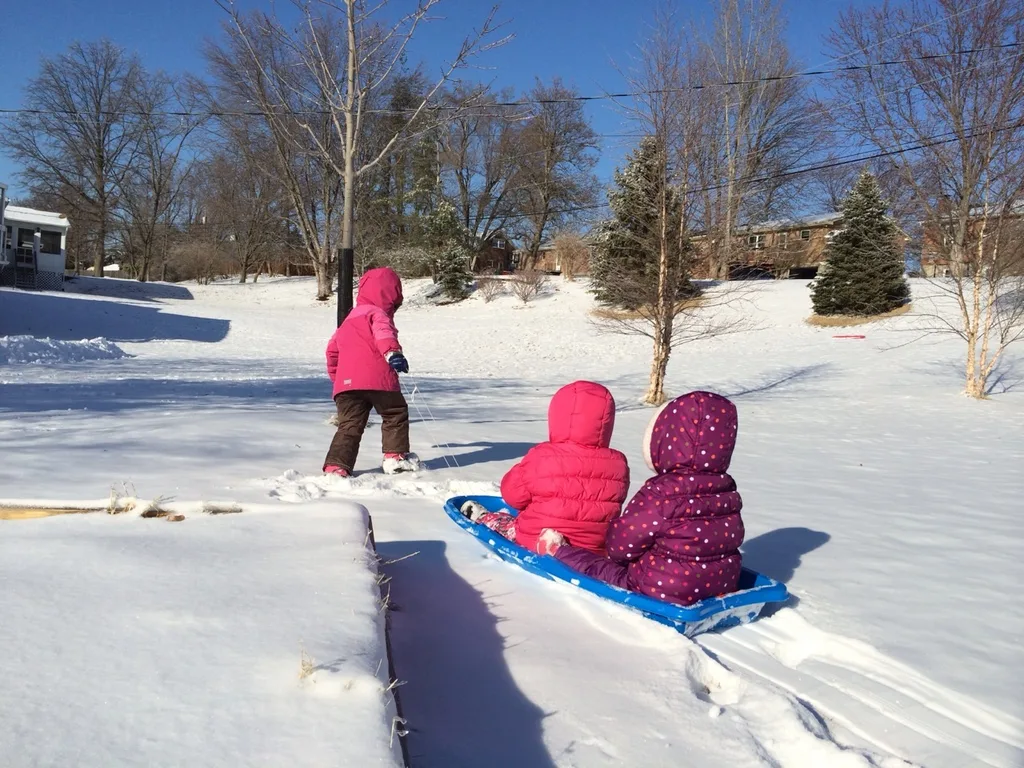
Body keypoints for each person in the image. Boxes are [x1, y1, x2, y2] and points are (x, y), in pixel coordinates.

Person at [541, 391, 745, 606]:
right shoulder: (727, 489)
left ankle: (557, 551)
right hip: (722, 584)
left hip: (658, 591)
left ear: (665, 440)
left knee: (598, 568)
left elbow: (620, 546)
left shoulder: (662, 492)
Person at [461, 380, 630, 554]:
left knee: (506, 524)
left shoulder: (542, 456)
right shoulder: (619, 463)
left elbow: (512, 496)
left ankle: (484, 518)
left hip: (535, 540)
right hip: (591, 551)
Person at [323, 267, 422, 477]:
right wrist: (392, 354)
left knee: (349, 425)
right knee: (394, 413)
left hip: (346, 386)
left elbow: (332, 351)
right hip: (380, 380)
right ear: (391, 295)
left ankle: (336, 467)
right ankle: (395, 457)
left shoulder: (348, 320)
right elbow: (383, 334)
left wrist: (339, 381)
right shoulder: (377, 314)